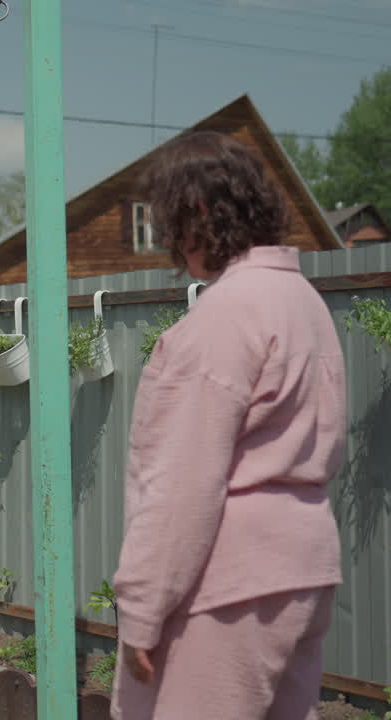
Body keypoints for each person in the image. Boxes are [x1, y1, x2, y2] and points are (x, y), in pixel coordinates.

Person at [112, 130, 346, 720]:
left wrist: (141, 609)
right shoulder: (305, 303)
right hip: (305, 569)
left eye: (171, 223)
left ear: (196, 212)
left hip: (228, 583)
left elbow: (180, 486)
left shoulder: (223, 317)